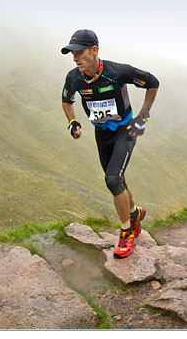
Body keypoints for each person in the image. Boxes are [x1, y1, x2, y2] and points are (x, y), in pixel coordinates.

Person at [61, 29, 159, 258]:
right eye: (71, 54)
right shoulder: (74, 77)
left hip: (125, 130)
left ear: (94, 50)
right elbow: (66, 100)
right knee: (117, 181)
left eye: (79, 53)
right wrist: (72, 122)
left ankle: (126, 234)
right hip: (101, 132)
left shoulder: (117, 72)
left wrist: (142, 117)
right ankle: (134, 214)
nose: (75, 59)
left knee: (113, 179)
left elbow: (152, 82)